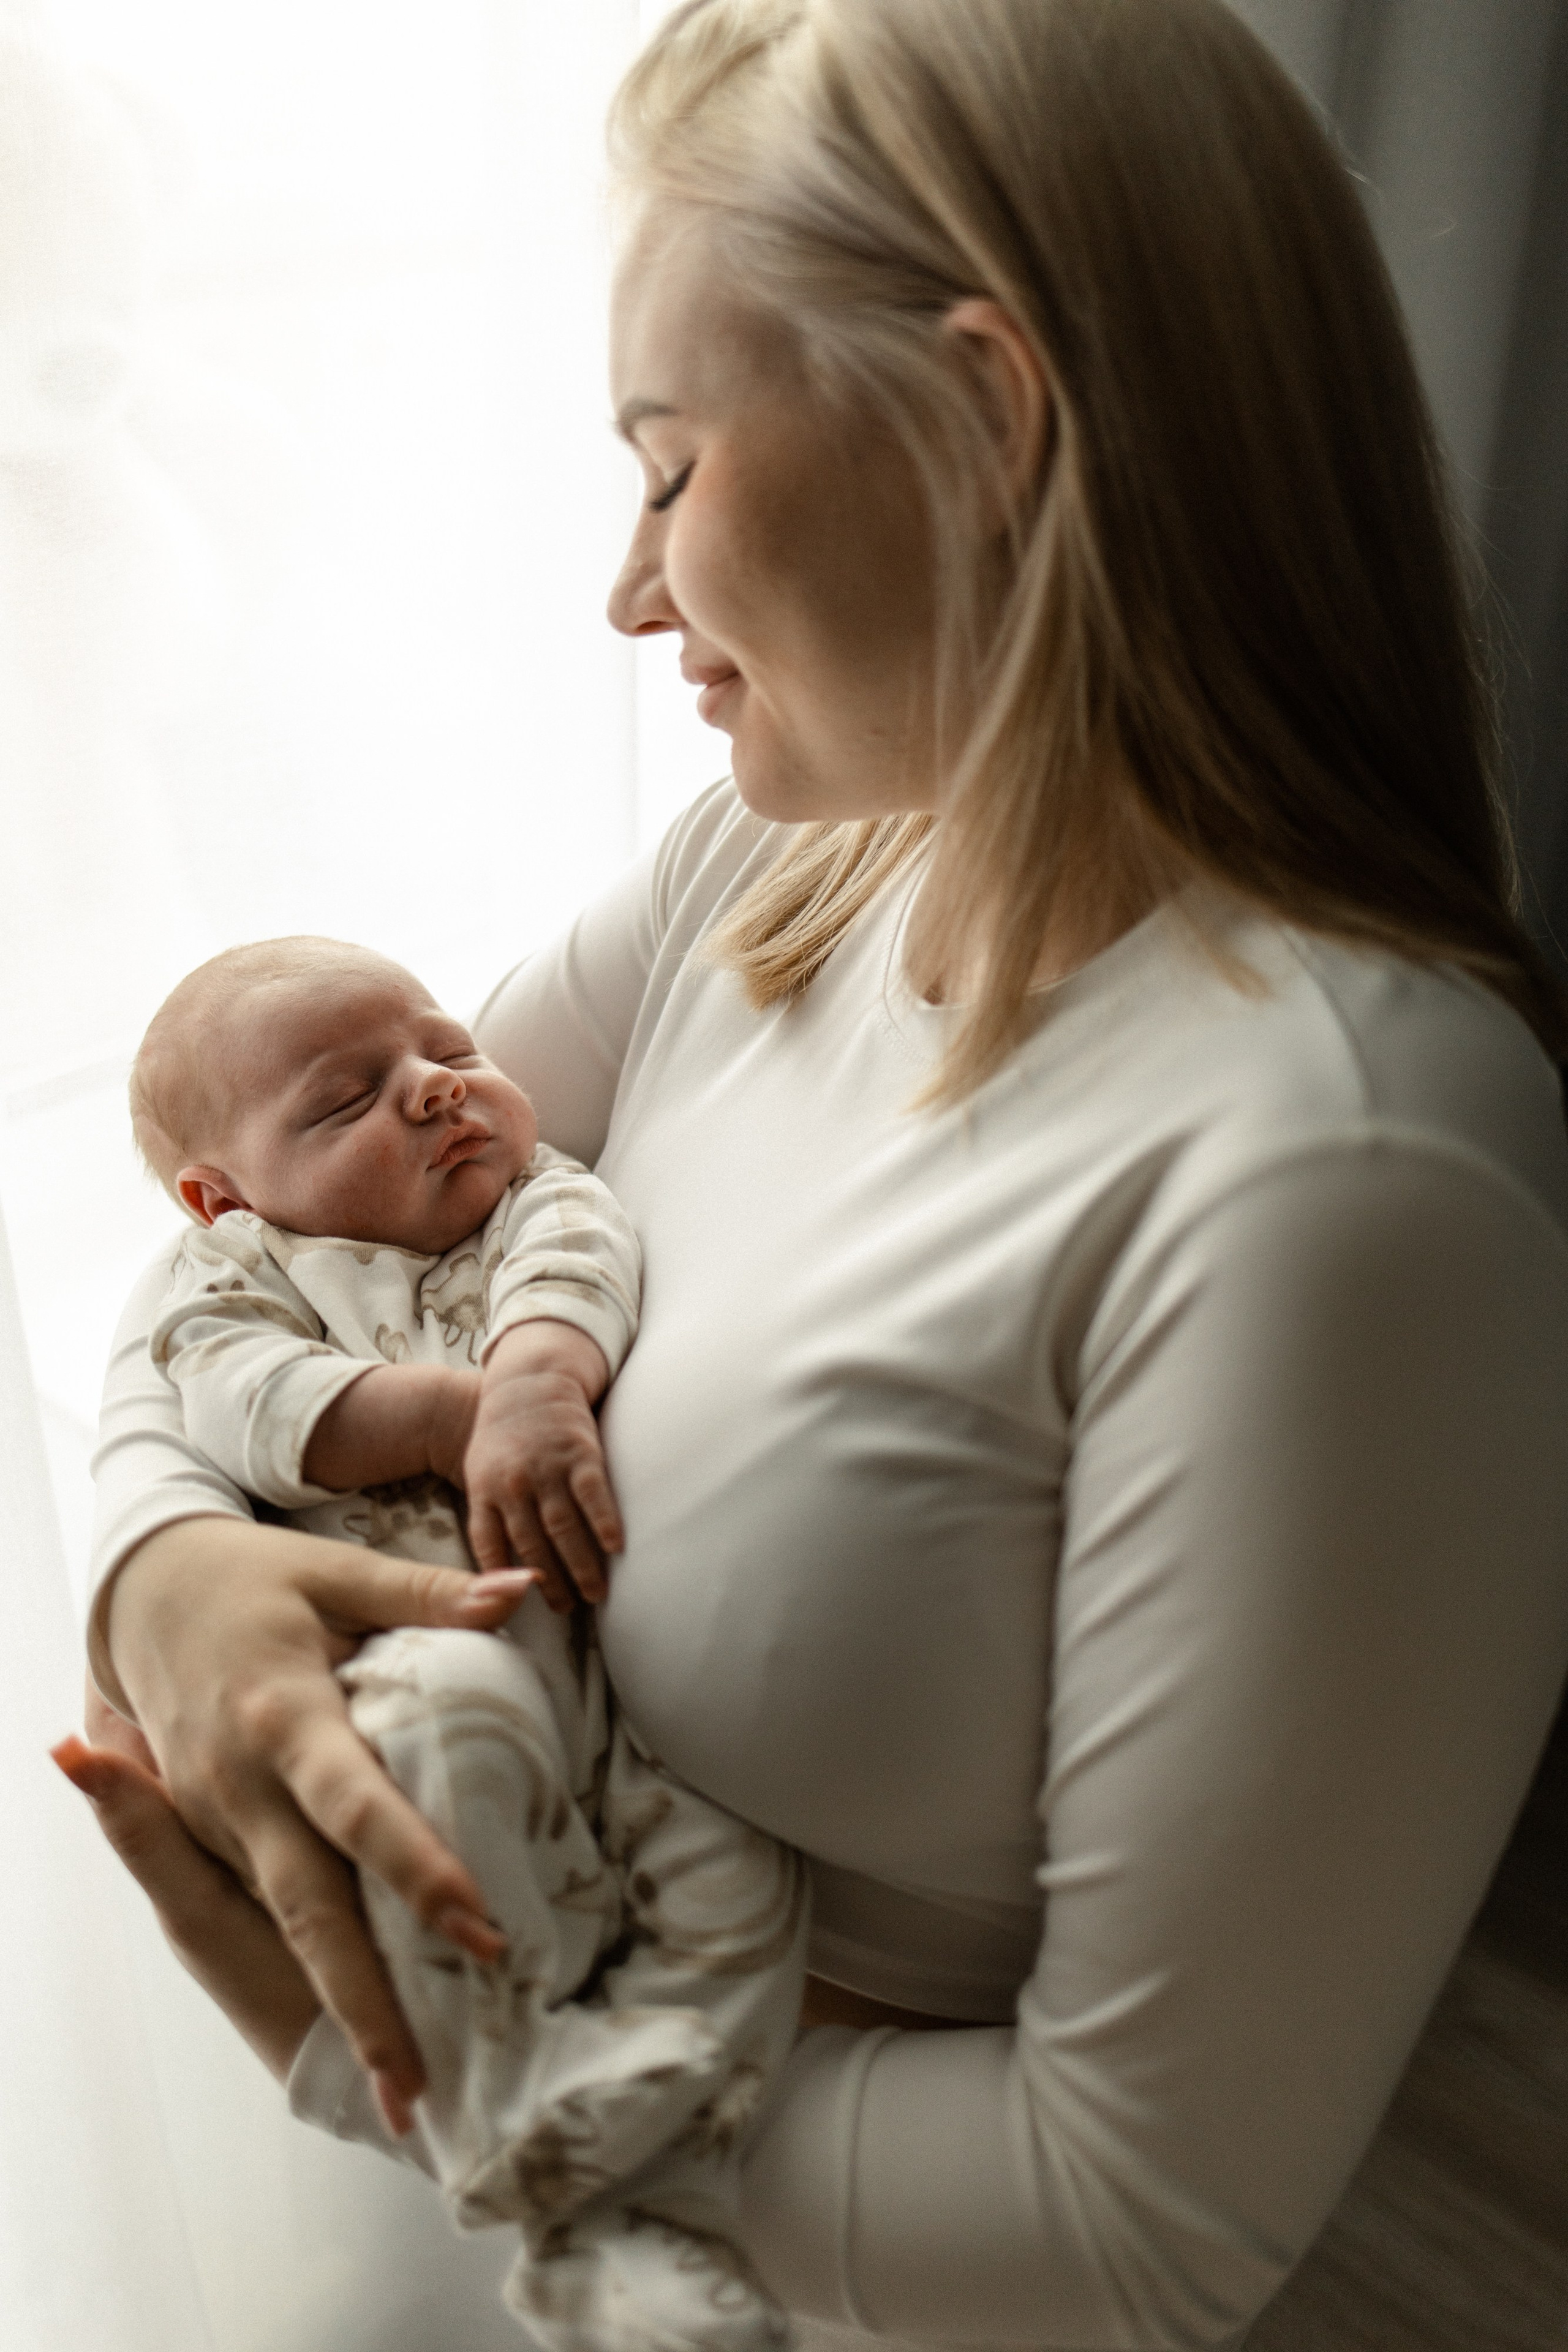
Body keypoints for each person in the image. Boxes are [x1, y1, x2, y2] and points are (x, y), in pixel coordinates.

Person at [56, 1, 1568, 2345]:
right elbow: (269, 1269)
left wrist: (445, 2073)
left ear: (986, 420)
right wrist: (165, 1570)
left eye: (670, 470)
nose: (630, 594)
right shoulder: (772, 885)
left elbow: (1136, 2219)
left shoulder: (1345, 1182)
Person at [113, 932, 805, 2352]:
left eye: (446, 1049)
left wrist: (540, 1372)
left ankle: (639, 2140)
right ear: (219, 1195)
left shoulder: (531, 1199)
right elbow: (238, 1402)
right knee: (450, 1760)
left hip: (620, 1719)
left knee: (740, 1885)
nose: (433, 1088)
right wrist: (440, 1415)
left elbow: (577, 1264)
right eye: (344, 1098)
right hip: (412, 1661)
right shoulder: (235, 1272)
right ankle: (559, 2200)